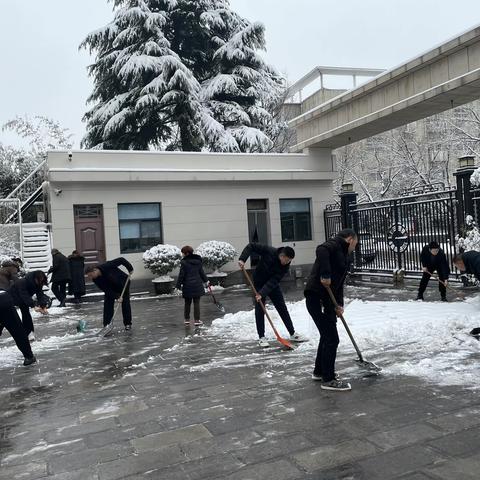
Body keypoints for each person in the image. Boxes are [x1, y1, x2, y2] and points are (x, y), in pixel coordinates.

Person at [304, 229, 358, 392]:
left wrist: (339, 305)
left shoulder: (345, 256)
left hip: (328, 301)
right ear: (349, 239)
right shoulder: (334, 244)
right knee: (332, 338)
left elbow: (339, 283)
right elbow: (321, 249)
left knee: (327, 336)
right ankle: (328, 379)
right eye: (355, 243)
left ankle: (320, 372)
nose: (355, 247)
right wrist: (325, 274)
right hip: (318, 298)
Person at [238, 243, 307, 348]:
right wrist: (243, 259)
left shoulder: (285, 266)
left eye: (289, 261)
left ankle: (292, 333)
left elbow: (274, 280)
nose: (288, 263)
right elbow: (251, 246)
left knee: (282, 308)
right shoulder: (269, 251)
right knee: (260, 308)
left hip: (272, 285)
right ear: (282, 256)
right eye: (287, 260)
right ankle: (261, 337)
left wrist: (262, 293)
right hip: (259, 282)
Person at [0, 265, 37, 365]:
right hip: (3, 299)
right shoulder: (11, 268)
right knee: (17, 330)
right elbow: (18, 282)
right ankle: (29, 356)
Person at [85, 257, 134, 331]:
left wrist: (130, 268)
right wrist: (117, 297)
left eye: (90, 275)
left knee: (125, 303)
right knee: (108, 304)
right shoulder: (95, 279)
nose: (90, 278)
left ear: (95, 270)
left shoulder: (107, 265)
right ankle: (107, 325)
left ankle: (128, 324)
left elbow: (121, 260)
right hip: (111, 289)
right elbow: (106, 290)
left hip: (123, 284)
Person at [9, 270, 50, 342]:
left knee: (26, 313)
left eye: (42, 281)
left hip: (22, 299)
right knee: (10, 317)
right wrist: (33, 305)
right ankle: (24, 333)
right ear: (35, 278)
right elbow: (24, 295)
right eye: (39, 280)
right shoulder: (22, 282)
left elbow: (40, 295)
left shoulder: (38, 283)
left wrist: (43, 306)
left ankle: (29, 333)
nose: (40, 282)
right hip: (11, 298)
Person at [176, 246, 208, 326]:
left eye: (182, 253)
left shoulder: (184, 262)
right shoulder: (198, 261)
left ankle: (187, 320)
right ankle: (197, 320)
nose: (182, 254)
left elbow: (181, 275)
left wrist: (178, 286)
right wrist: (206, 281)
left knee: (187, 303)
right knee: (196, 303)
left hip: (187, 286)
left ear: (186, 253)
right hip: (197, 285)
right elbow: (202, 273)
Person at [454, 252, 480, 335]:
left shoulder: (476, 262)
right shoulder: (471, 260)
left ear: (460, 262)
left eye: (458, 267)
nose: (460, 269)